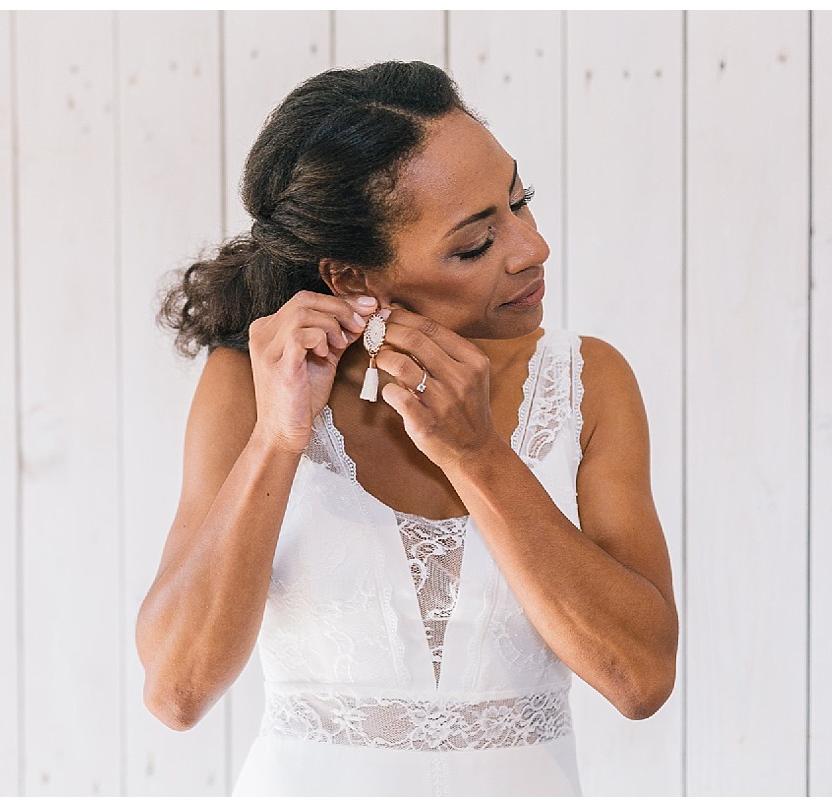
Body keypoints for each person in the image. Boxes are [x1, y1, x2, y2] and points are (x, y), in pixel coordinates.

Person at [136, 60, 678, 797]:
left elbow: (641, 677)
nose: (532, 248)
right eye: (476, 243)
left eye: (520, 202)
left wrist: (480, 455)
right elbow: (178, 690)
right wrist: (278, 438)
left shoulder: (589, 382)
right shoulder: (249, 386)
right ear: (354, 278)